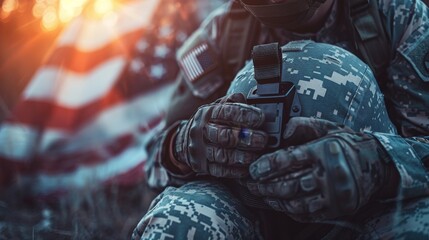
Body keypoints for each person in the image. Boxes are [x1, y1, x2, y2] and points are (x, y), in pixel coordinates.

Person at [133, 0, 429, 239]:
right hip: (253, 211)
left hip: (372, 207)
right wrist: (183, 146)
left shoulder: (398, 17)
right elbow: (156, 160)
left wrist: (378, 163)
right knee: (179, 220)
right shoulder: (226, 32)